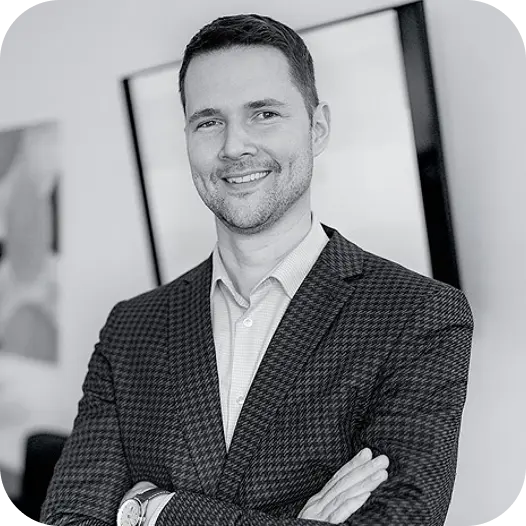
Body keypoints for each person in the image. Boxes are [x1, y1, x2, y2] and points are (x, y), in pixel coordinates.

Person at [41, 13, 474, 526]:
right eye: (209, 122)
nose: (234, 146)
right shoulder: (131, 328)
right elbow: (68, 518)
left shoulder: (420, 315)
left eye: (264, 114)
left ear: (317, 128)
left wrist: (156, 509)